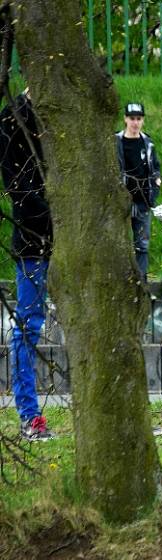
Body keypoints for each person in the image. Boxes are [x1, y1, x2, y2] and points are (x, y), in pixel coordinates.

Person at [0, 90, 55, 441]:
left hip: (70, 242)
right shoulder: (12, 121)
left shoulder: (64, 112)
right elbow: (19, 190)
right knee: (28, 325)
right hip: (35, 242)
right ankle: (29, 415)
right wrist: (58, 219)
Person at [116, 102, 162, 280]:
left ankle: (140, 281)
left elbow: (155, 168)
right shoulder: (116, 142)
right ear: (125, 119)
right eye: (132, 118)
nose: (135, 123)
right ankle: (120, 280)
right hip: (120, 202)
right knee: (119, 243)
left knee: (142, 245)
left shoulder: (147, 143)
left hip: (143, 201)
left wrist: (154, 190)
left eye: (139, 119)